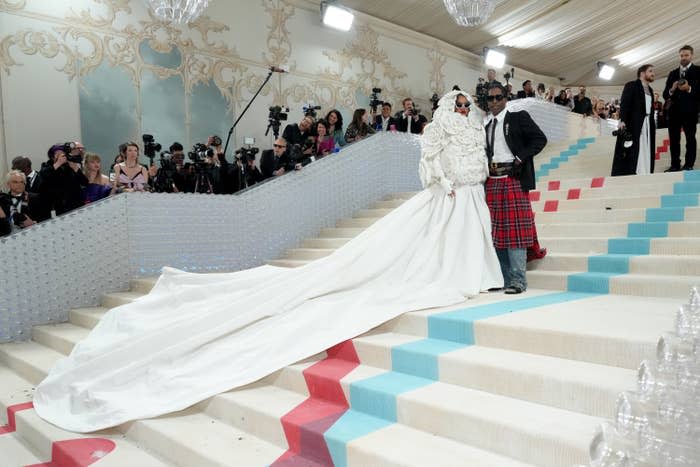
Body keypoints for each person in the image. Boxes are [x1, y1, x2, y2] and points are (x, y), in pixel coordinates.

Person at [33, 90, 503, 433]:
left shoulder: (473, 128)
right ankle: (450, 271)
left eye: (467, 104)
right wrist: (444, 180)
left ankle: (473, 271)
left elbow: (476, 160)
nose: (464, 109)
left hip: (471, 196)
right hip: (448, 196)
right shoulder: (437, 127)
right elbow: (429, 164)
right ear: (449, 107)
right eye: (458, 104)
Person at [484, 83, 547, 294]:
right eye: (490, 98)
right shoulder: (485, 126)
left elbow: (540, 139)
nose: (494, 102)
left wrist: (520, 158)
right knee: (497, 232)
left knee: (516, 232)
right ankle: (504, 278)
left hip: (513, 178)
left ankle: (519, 281)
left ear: (505, 98)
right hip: (491, 181)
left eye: (498, 97)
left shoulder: (518, 117)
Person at [611, 64, 656, 176]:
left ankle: (644, 171)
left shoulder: (650, 89)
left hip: (647, 124)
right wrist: (622, 120)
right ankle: (631, 171)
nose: (653, 73)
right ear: (642, 73)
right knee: (632, 148)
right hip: (633, 123)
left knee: (645, 147)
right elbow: (625, 104)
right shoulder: (631, 85)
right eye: (650, 71)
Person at [662, 45, 699, 171]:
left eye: (686, 55)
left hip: (691, 112)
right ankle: (675, 165)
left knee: (690, 139)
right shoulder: (672, 73)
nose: (683, 58)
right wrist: (672, 89)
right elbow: (665, 94)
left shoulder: (698, 71)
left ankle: (689, 165)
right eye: (682, 55)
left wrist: (689, 89)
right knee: (674, 140)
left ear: (691, 55)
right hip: (674, 112)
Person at [39, 143, 88, 219]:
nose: (62, 155)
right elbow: (44, 181)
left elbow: (85, 182)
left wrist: (76, 169)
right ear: (52, 156)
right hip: (58, 207)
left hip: (76, 206)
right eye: (58, 154)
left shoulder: (69, 165)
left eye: (63, 153)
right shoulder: (47, 166)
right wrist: (58, 163)